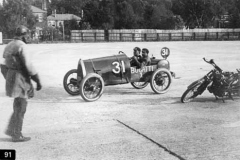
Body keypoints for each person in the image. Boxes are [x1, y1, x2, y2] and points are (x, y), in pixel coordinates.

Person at [2, 25, 42, 142]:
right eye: (27, 35)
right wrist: (37, 81)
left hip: (11, 76)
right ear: (23, 36)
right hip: (20, 77)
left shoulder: (9, 45)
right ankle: (16, 134)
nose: (28, 38)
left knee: (17, 105)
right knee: (21, 107)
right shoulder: (22, 46)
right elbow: (28, 66)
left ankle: (12, 130)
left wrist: (9, 78)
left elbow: (3, 66)